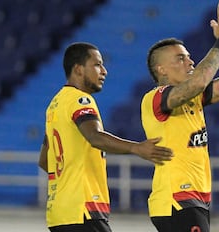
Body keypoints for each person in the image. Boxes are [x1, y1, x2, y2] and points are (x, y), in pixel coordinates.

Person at [141, 0, 219, 232]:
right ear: (161, 69)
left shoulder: (193, 98)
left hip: (195, 198)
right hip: (176, 198)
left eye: (189, 56)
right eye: (181, 58)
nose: (190, 61)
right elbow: (200, 81)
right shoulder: (156, 98)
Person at [38, 42, 173, 232]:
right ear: (78, 69)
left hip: (59, 213)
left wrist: (69, 177)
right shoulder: (80, 100)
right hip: (83, 208)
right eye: (97, 64)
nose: (104, 71)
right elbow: (94, 137)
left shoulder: (55, 105)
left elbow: (44, 160)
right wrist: (137, 148)